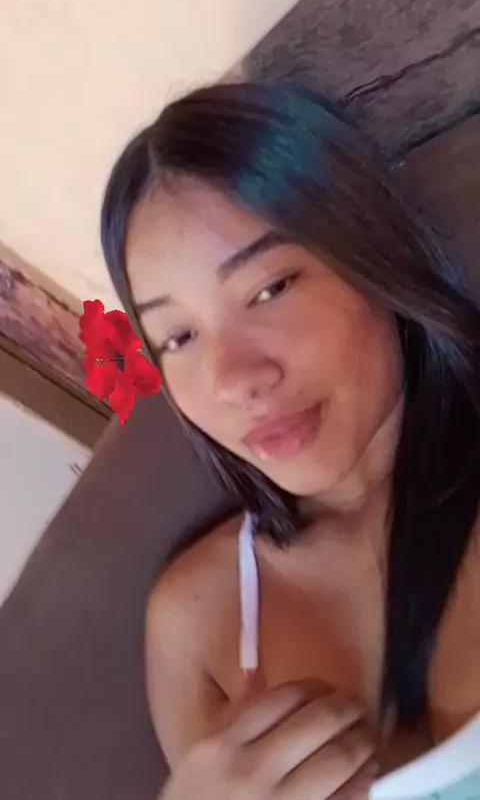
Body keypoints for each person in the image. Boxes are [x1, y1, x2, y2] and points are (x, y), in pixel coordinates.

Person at [100, 82, 480, 798]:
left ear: (375, 252)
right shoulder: (197, 621)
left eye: (269, 289)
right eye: (177, 336)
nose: (234, 379)